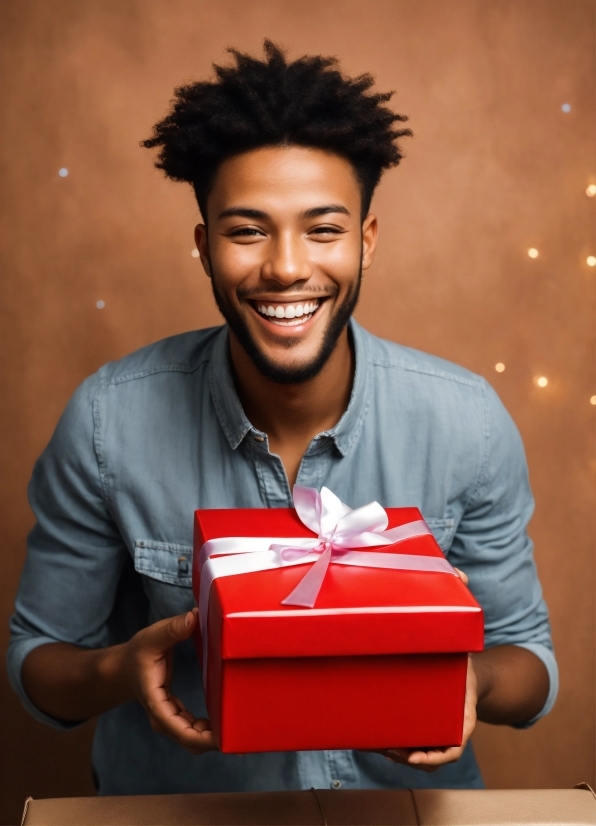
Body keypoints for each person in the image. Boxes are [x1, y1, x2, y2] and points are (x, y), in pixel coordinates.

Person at [8, 41, 556, 795]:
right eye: (247, 230)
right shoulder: (108, 421)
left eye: (324, 230)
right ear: (204, 248)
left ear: (366, 242)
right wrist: (120, 670)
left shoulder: (466, 421)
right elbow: (39, 662)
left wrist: (472, 682)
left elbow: (529, 663)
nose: (287, 267)